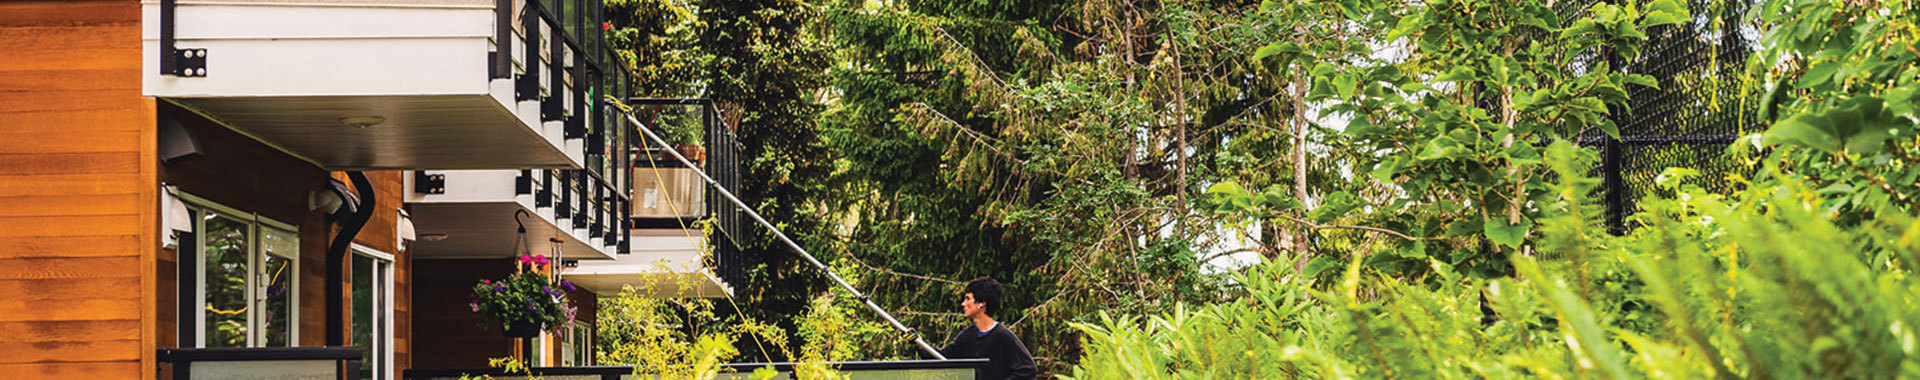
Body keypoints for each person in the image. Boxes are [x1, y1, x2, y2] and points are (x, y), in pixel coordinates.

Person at [933, 277, 1037, 380]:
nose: (963, 304)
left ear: (981, 304)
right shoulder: (967, 336)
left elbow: (1027, 369)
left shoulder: (1002, 336)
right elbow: (942, 358)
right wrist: (919, 343)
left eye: (968, 299)